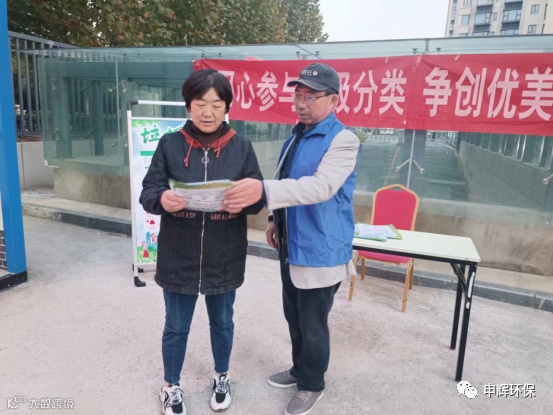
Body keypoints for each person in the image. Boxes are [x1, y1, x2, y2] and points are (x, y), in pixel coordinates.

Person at [223, 63, 359, 415]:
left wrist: (263, 191)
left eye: (310, 97)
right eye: (297, 95)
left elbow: (320, 187)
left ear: (333, 100)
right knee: (294, 314)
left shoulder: (343, 140)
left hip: (320, 248)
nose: (300, 103)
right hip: (291, 243)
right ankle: (300, 369)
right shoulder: (296, 135)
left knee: (313, 324)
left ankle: (313, 384)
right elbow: (285, 177)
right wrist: (273, 220)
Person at [140, 69, 263, 415]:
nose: (208, 112)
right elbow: (148, 191)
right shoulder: (170, 144)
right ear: (189, 105)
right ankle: (171, 386)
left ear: (227, 107)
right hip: (178, 253)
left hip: (225, 253)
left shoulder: (242, 147)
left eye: (216, 104)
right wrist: (162, 198)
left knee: (222, 322)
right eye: (200, 103)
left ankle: (222, 376)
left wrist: (245, 202)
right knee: (176, 325)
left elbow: (256, 197)